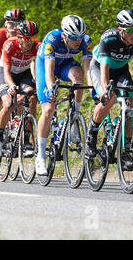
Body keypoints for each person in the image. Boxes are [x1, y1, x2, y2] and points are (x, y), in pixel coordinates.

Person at [86, 9, 133, 170]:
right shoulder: (109, 38)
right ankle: (91, 135)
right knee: (108, 99)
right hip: (99, 67)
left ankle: (126, 149)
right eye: (130, 30)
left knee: (128, 102)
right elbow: (104, 69)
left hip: (121, 70)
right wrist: (105, 91)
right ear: (121, 30)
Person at [35, 15, 93, 175]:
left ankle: (74, 116)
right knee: (48, 109)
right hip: (46, 66)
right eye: (74, 38)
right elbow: (48, 70)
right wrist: (51, 88)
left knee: (79, 76)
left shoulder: (86, 40)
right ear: (65, 35)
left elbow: (88, 69)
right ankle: (40, 156)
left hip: (66, 65)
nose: (78, 41)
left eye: (80, 37)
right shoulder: (52, 39)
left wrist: (93, 88)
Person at [0, 20, 40, 157]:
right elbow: (5, 72)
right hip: (7, 73)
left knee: (32, 97)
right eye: (27, 38)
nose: (30, 42)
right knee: (8, 102)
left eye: (33, 38)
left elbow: (37, 67)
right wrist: (11, 86)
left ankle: (27, 139)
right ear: (19, 37)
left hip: (24, 74)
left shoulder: (37, 46)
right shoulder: (9, 45)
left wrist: (39, 83)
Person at [0, 8, 26, 150]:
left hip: (17, 69)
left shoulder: (24, 36)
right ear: (6, 24)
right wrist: (1, 82)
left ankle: (17, 130)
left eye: (19, 24)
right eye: (12, 24)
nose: (15, 28)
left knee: (24, 97)